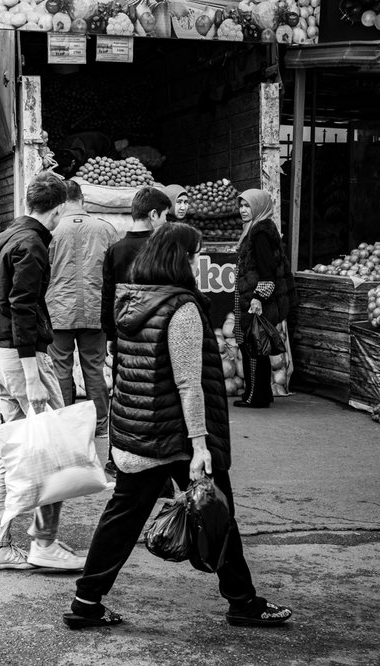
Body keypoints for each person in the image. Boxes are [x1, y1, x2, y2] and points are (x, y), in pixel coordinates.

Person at [63, 223, 293, 630]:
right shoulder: (181, 308)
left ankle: (86, 603)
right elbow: (189, 385)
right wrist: (201, 445)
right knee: (218, 513)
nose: (195, 263)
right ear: (180, 259)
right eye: (193, 256)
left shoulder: (131, 301)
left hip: (138, 432)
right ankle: (243, 602)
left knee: (121, 519)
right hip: (176, 438)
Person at [0, 176, 86, 573]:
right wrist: (33, 376)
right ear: (57, 210)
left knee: (14, 456)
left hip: (2, 356)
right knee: (58, 449)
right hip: (23, 359)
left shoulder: (7, 236)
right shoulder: (33, 244)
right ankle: (44, 541)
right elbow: (22, 306)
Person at [45, 179, 118, 440]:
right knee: (94, 368)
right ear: (82, 199)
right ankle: (100, 424)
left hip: (59, 311)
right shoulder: (105, 229)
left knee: (60, 369)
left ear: (60, 203)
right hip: (95, 310)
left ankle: (65, 425)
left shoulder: (51, 231)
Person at [234, 189, 293, 409]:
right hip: (253, 298)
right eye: (241, 206)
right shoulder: (258, 229)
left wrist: (257, 299)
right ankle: (262, 393)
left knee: (252, 346)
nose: (242, 210)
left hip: (256, 300)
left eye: (247, 206)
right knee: (256, 346)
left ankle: (255, 396)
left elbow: (267, 272)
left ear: (258, 207)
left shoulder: (259, 233)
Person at [101, 187, 172, 348]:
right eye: (165, 215)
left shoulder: (114, 250)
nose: (166, 221)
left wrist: (110, 335)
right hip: (156, 335)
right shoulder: (162, 248)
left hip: (124, 334)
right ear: (153, 214)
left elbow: (108, 296)